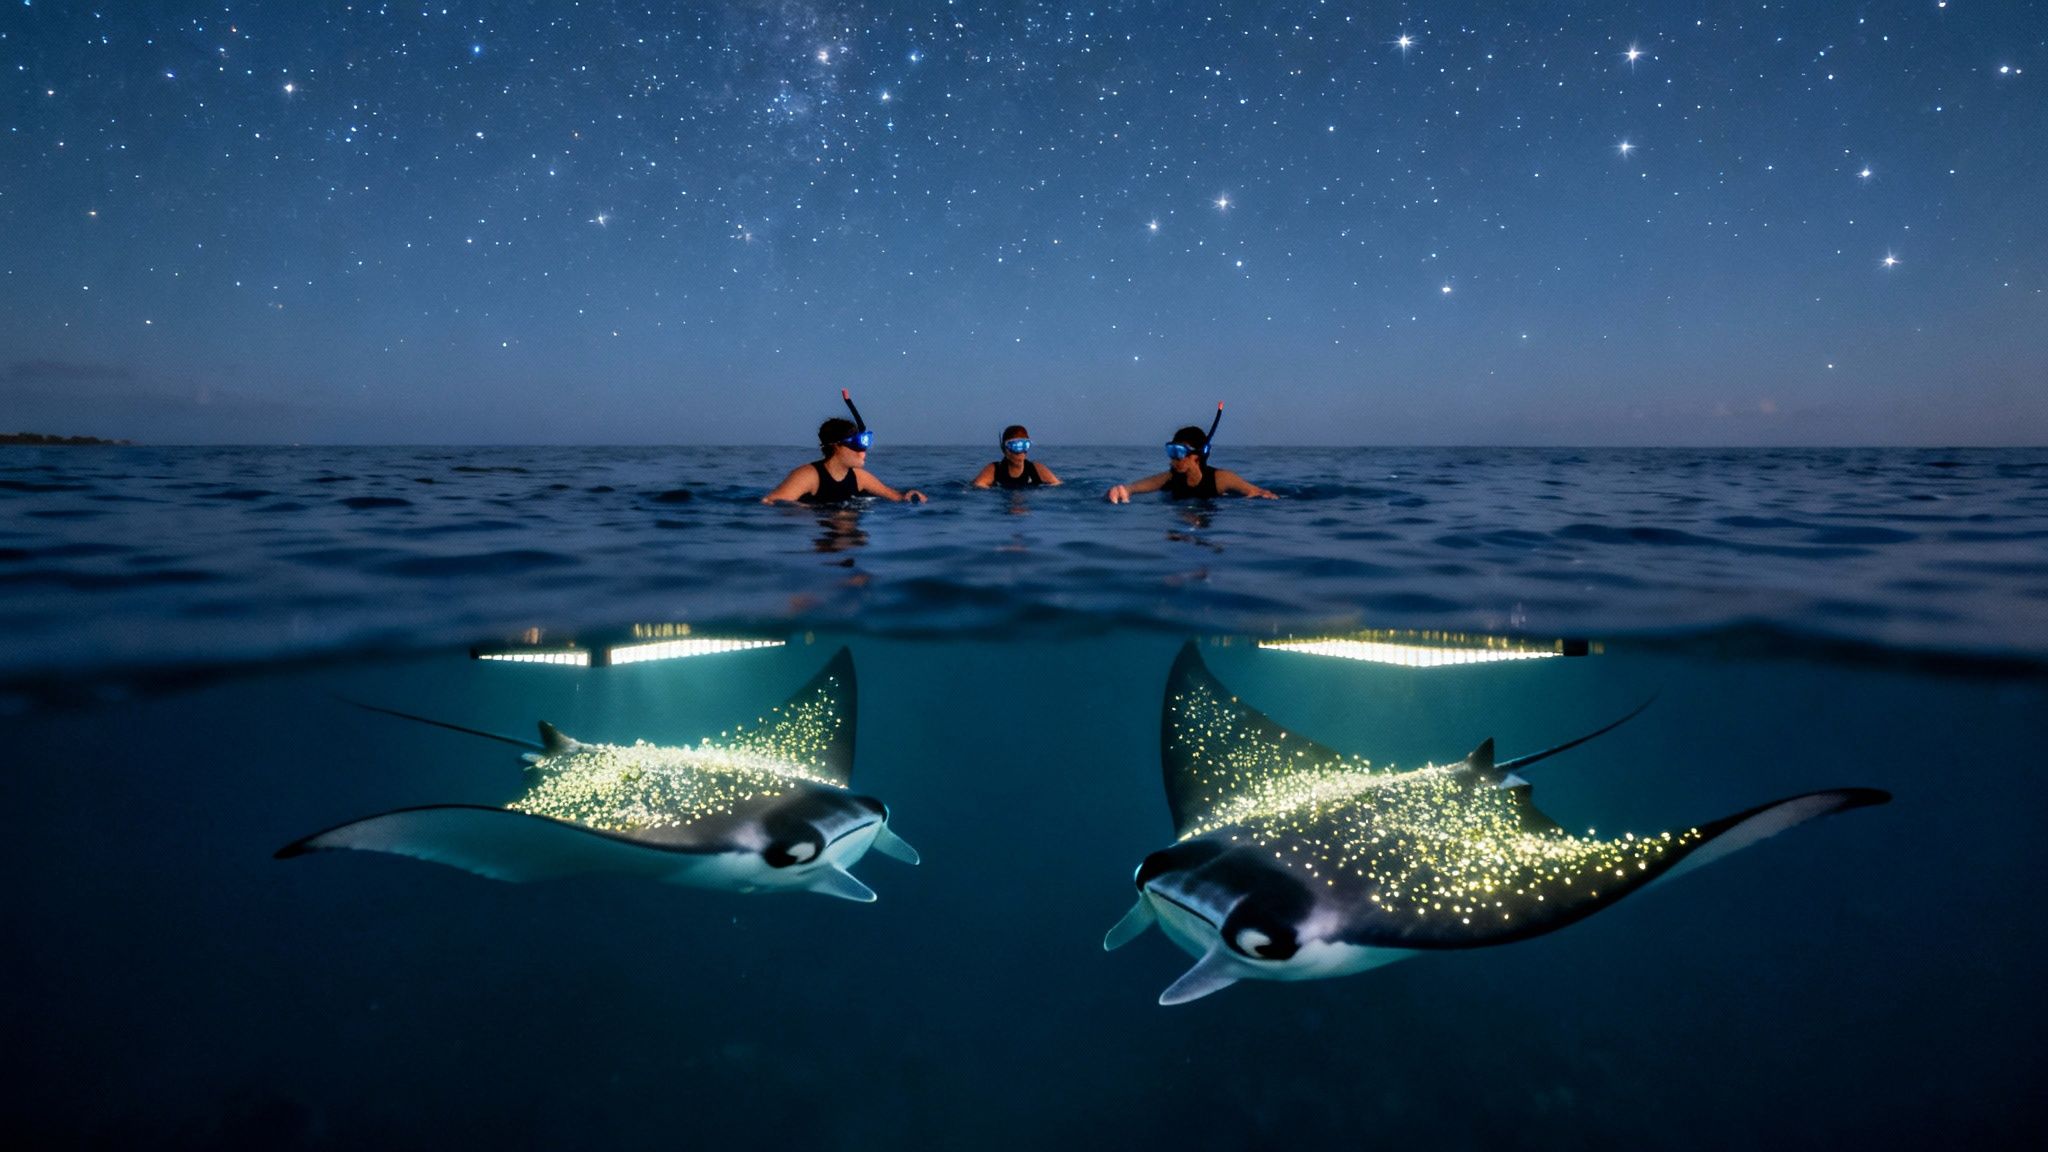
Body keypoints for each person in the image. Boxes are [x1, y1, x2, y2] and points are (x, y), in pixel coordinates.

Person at [763, 391, 927, 505]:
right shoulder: (809, 476)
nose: (863, 453)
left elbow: (897, 497)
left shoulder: (860, 477)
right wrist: (805, 511)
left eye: (865, 446)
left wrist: (910, 495)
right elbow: (770, 501)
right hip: (823, 534)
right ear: (836, 446)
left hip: (853, 537)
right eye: (857, 446)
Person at [1106, 408, 1275, 503]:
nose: (1173, 459)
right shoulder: (1171, 478)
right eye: (1171, 452)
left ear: (1196, 456)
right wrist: (1124, 489)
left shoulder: (1220, 479)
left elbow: (1255, 491)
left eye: (1178, 453)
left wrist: (1263, 495)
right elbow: (1134, 488)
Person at [971, 425, 1062, 490]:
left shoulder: (1036, 469)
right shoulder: (995, 469)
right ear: (1004, 450)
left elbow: (1058, 485)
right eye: (1015, 446)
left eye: (1024, 445)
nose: (1020, 452)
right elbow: (978, 485)